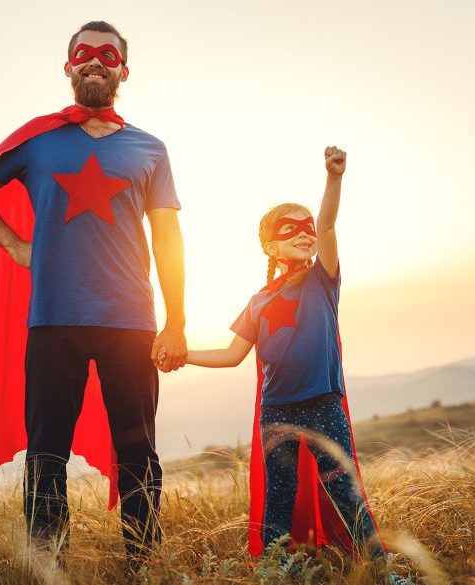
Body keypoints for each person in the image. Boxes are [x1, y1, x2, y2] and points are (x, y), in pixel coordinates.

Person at [0, 21, 186, 570]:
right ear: (68, 69)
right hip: (52, 324)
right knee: (46, 456)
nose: (96, 61)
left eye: (107, 54)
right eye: (83, 53)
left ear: (123, 71)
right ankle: (48, 567)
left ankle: (143, 566)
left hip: (130, 323)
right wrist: (16, 245)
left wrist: (177, 321)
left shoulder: (150, 149)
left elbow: (167, 237)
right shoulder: (37, 140)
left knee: (138, 452)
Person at [166, 148, 406, 582]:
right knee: (278, 498)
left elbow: (330, 223)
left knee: (345, 493)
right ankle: (275, 574)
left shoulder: (322, 281)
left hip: (322, 405)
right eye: (290, 228)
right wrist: (183, 354)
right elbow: (230, 354)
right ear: (269, 244)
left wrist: (333, 179)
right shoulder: (258, 301)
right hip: (277, 410)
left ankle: (385, 573)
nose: (305, 233)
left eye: (307, 227)